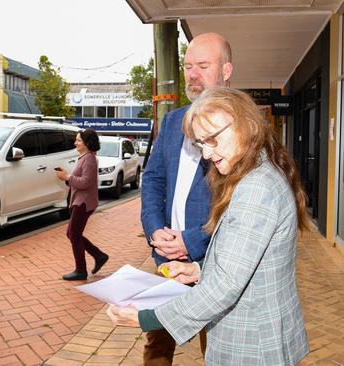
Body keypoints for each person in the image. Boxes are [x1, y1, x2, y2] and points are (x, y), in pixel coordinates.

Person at [108, 87, 311, 365]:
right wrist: (197, 269)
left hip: (251, 346)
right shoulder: (258, 173)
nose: (206, 154)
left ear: (247, 125)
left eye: (213, 139)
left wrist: (147, 317)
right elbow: (245, 260)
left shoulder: (254, 188)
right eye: (201, 143)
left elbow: (225, 286)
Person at [140, 32, 232, 365]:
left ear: (226, 71)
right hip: (166, 259)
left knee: (217, 348)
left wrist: (190, 243)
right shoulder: (173, 119)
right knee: (158, 342)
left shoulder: (239, 127)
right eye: (188, 66)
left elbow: (237, 207)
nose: (192, 74)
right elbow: (152, 179)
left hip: (212, 264)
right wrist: (154, 229)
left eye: (203, 66)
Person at [55, 128, 109, 281]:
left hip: (84, 202)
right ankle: (99, 256)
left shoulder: (89, 159)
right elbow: (79, 179)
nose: (75, 143)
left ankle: (81, 270)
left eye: (79, 140)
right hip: (80, 201)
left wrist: (67, 177)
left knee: (74, 235)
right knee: (73, 234)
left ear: (87, 143)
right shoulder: (85, 157)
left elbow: (86, 182)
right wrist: (67, 177)